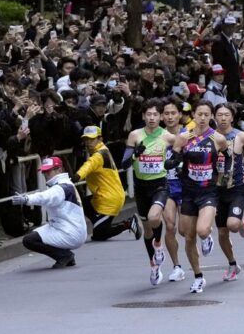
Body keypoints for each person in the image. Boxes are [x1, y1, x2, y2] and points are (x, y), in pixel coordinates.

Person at [166, 101, 228, 294]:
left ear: (211, 116)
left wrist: (224, 179)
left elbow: (226, 161)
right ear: (193, 114)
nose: (202, 118)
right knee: (187, 235)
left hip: (208, 191)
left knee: (201, 230)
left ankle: (207, 235)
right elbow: (174, 158)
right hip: (189, 192)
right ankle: (198, 276)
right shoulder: (183, 138)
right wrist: (171, 162)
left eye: (206, 114)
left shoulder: (218, 139)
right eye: (199, 114)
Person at [122, 100, 176, 285]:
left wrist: (174, 163)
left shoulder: (168, 137)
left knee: (155, 218)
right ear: (144, 116)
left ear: (161, 117)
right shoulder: (135, 135)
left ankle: (159, 245)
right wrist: (135, 153)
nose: (152, 118)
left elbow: (180, 154)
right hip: (141, 187)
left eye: (155, 115)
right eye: (148, 114)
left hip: (160, 185)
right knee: (147, 229)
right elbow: (125, 164)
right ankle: (153, 265)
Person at [212, 103, 244, 282]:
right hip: (216, 190)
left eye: (226, 115)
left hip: (237, 187)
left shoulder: (241, 136)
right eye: (219, 115)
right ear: (214, 117)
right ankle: (232, 264)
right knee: (222, 233)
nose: (223, 118)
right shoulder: (210, 137)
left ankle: (240, 220)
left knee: (232, 225)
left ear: (232, 117)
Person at [13, 157, 86, 268]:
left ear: (59, 170)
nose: (45, 174)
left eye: (48, 171)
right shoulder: (65, 184)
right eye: (44, 171)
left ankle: (64, 256)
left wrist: (27, 199)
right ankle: (65, 255)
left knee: (30, 240)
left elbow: (46, 197)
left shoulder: (62, 187)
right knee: (31, 237)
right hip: (68, 228)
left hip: (70, 232)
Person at [75, 125, 139, 242]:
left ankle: (127, 223)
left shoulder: (98, 155)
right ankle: (100, 223)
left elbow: (87, 167)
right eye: (86, 139)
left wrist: (75, 178)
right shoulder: (102, 149)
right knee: (83, 203)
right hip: (103, 196)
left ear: (100, 139)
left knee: (98, 235)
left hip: (109, 200)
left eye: (92, 139)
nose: (88, 142)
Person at [160, 99, 187, 281]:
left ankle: (206, 233)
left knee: (185, 231)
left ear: (179, 115)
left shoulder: (187, 135)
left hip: (186, 186)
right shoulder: (157, 136)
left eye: (173, 113)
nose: (170, 117)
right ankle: (176, 266)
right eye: (166, 113)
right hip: (166, 186)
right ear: (162, 116)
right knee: (170, 226)